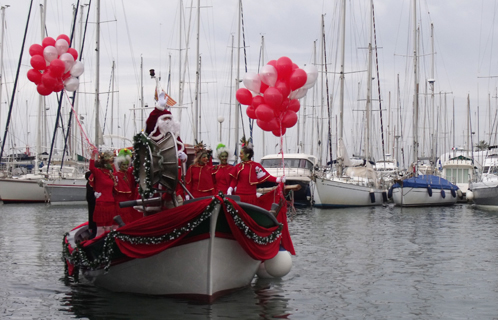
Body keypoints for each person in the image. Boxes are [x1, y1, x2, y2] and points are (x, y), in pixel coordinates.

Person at [89, 149, 117, 229]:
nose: (112, 164)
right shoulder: (99, 173)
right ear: (105, 163)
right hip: (102, 204)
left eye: (112, 162)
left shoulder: (111, 175)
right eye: (110, 162)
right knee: (101, 229)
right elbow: (91, 168)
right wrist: (92, 156)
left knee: (109, 229)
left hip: (111, 204)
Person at [113, 148, 141, 223]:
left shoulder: (129, 172)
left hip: (130, 201)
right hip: (120, 202)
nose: (125, 167)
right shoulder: (115, 175)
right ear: (119, 165)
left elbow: (136, 167)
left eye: (127, 165)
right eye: (123, 165)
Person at [85, 171, 97, 238]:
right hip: (94, 203)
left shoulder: (89, 183)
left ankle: (92, 230)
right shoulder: (91, 183)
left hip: (92, 202)